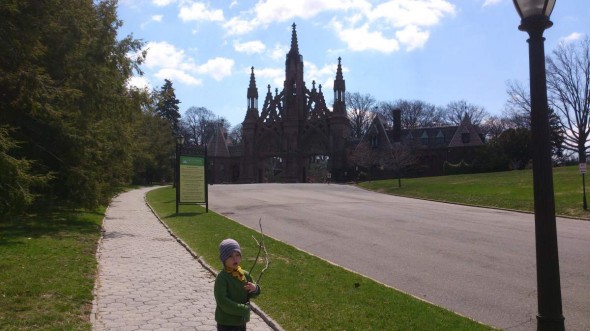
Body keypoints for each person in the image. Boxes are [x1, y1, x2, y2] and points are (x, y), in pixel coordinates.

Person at [214, 238, 260, 331]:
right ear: (224, 259)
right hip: (226, 322)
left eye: (237, 255)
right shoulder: (222, 278)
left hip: (241, 321)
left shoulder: (244, 275)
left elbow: (252, 293)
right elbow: (222, 301)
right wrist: (243, 309)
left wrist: (254, 289)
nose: (235, 258)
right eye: (230, 256)